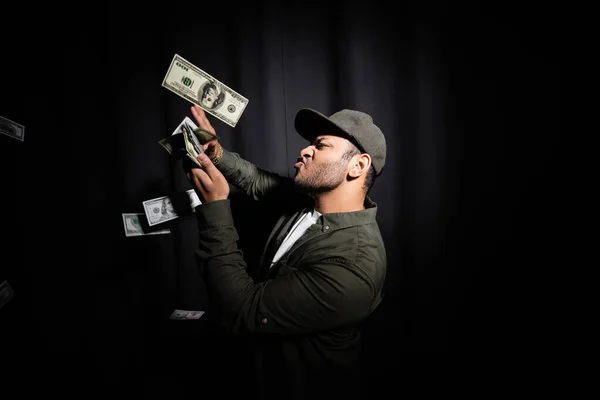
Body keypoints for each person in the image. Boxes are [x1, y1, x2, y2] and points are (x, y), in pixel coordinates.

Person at [184, 104, 387, 400]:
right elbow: (255, 180)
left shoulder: (353, 265)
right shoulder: (309, 201)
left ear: (358, 166)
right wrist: (215, 154)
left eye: (320, 145)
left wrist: (214, 205)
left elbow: (240, 311)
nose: (305, 151)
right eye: (309, 143)